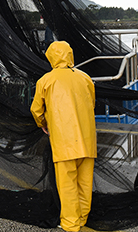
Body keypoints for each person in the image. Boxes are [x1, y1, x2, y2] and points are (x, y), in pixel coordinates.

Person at [31, 41, 96, 232]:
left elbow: (36, 110)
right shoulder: (85, 78)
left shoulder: (45, 81)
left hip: (64, 141)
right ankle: (83, 217)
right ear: (70, 55)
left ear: (51, 57)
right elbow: (91, 103)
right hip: (87, 139)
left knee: (67, 184)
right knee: (85, 182)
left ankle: (70, 223)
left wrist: (43, 123)